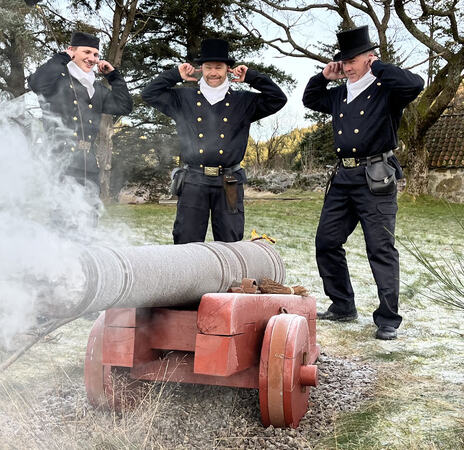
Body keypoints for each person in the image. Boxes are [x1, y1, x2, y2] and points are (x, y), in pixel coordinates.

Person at [302, 26, 424, 340]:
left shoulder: (386, 88)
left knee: (380, 248)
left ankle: (387, 319)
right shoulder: (339, 93)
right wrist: (324, 77)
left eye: (353, 59)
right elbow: (310, 98)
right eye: (343, 60)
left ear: (369, 57)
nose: (347, 65)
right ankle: (343, 305)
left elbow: (416, 84)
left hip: (376, 178)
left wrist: (378, 66)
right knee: (326, 242)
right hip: (343, 178)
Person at [142, 38, 287, 244]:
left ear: (228, 69)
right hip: (193, 180)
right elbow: (148, 94)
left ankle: (230, 278)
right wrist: (176, 75)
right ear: (201, 68)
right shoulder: (182, 98)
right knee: (186, 241)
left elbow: (278, 99)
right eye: (208, 67)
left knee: (231, 242)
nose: (213, 73)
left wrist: (252, 77)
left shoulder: (243, 100)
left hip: (229, 181)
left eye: (219, 67)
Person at [28, 31, 133, 188]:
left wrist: (113, 76)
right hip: (60, 163)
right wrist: (61, 57)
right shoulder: (57, 79)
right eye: (87, 52)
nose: (92, 58)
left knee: (91, 212)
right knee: (64, 211)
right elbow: (36, 82)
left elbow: (124, 106)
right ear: (72, 51)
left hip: (88, 165)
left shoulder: (97, 88)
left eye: (96, 54)